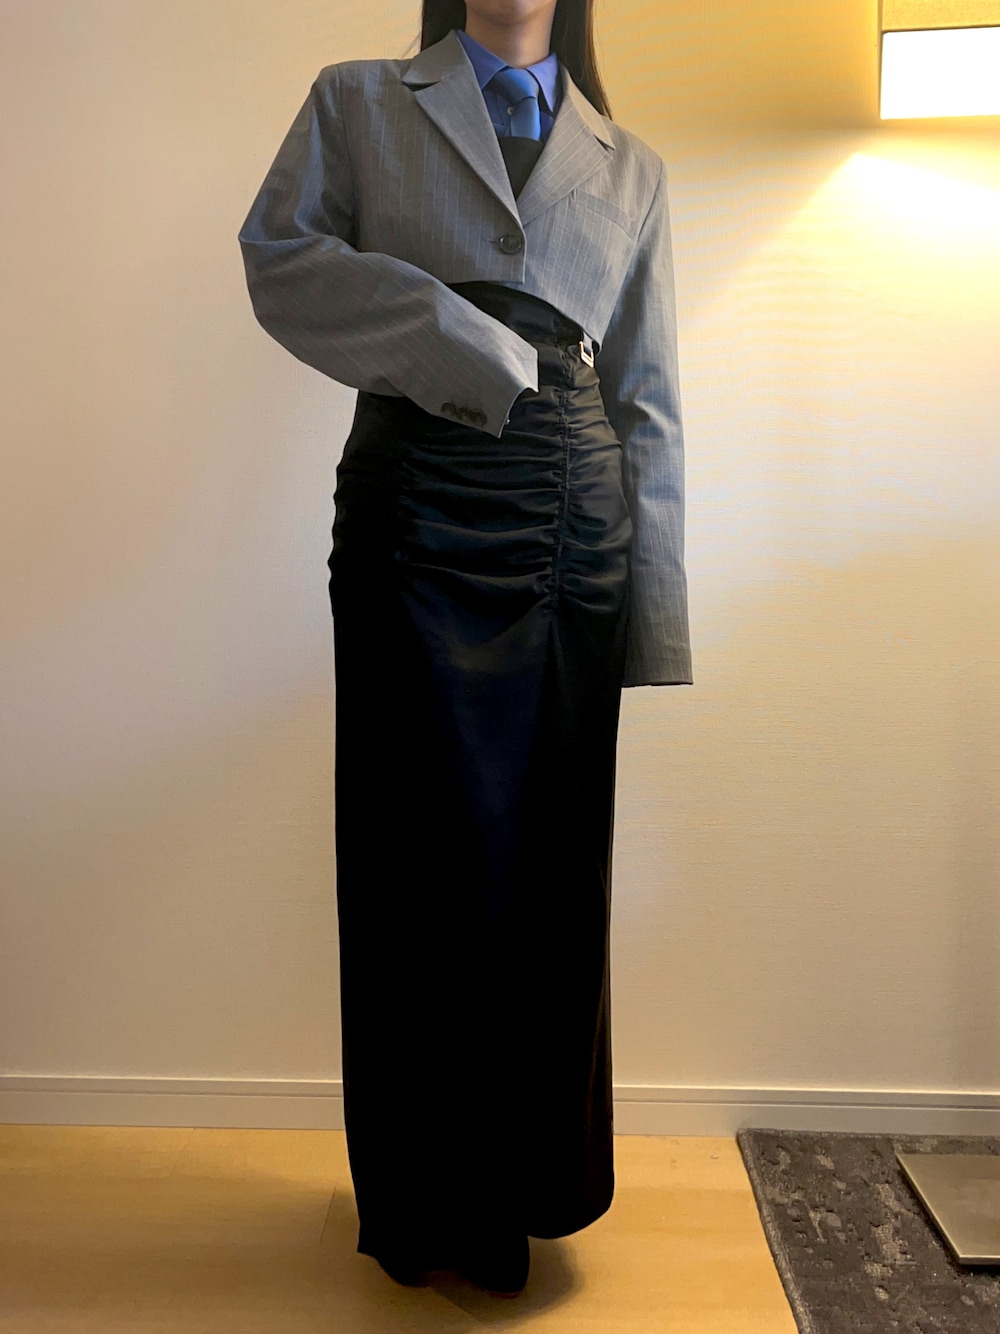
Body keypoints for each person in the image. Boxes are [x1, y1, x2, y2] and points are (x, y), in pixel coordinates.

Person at [238, 0, 691, 1299]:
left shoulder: (631, 167)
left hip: (572, 523)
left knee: (551, 865)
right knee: (413, 858)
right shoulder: (358, 99)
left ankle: (532, 1191)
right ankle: (430, 1206)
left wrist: (651, 620)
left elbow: (649, 400)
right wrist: (462, 335)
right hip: (414, 508)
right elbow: (280, 255)